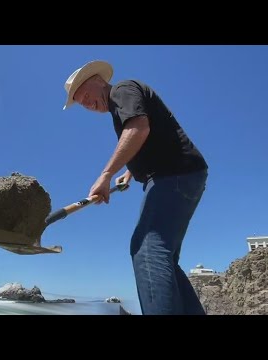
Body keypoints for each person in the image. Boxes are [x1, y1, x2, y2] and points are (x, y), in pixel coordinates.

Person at [62, 60, 209, 315]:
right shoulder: (120, 106)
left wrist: (107, 174)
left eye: (85, 95)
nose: (86, 103)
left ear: (98, 80)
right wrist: (129, 173)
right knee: (166, 259)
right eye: (80, 103)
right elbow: (146, 138)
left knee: (147, 250)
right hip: (179, 176)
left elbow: (139, 128)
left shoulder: (122, 90)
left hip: (173, 175)